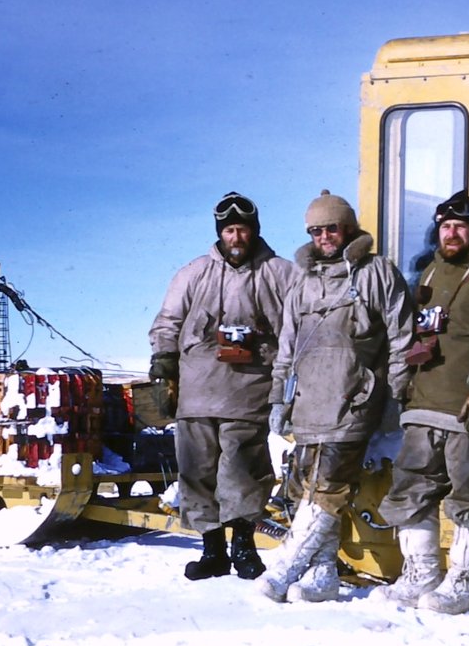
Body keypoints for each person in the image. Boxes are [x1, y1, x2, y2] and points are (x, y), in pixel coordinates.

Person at [259, 190, 415, 603]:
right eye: (316, 230)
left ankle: (285, 567)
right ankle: (324, 573)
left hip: (354, 398)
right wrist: (279, 397)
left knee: (328, 485)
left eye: (331, 228)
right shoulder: (303, 283)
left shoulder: (376, 272)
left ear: (347, 228)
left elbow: (402, 336)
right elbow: (287, 347)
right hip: (309, 401)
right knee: (305, 486)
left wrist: (397, 391)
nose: (324, 236)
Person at [371, 191, 469, 614]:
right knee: (411, 490)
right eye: (444, 226)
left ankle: (462, 583)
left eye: (460, 226)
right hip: (424, 406)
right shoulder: (428, 274)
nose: (451, 233)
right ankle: (421, 575)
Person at [149, 192, 297, 581]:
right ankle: (212, 549)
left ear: (255, 231)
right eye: (229, 230)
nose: (236, 237)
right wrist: (164, 365)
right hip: (196, 393)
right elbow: (167, 321)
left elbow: (300, 329)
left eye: (243, 229)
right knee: (196, 471)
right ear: (220, 233)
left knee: (243, 470)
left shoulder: (281, 273)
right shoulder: (193, 273)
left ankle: (244, 546)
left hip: (249, 391)